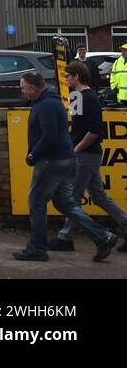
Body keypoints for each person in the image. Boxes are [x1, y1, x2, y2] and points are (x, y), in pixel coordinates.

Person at [13, 70, 116, 261]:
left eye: (24, 88)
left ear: (33, 88)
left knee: (36, 202)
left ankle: (37, 248)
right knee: (65, 203)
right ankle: (103, 237)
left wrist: (33, 154)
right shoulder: (51, 102)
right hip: (65, 159)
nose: (23, 92)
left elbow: (49, 135)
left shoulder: (46, 105)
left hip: (51, 161)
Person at [51, 61, 127, 253]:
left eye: (68, 76)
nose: (65, 78)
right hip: (85, 154)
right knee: (99, 197)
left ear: (77, 76)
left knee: (72, 197)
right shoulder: (76, 96)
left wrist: (76, 149)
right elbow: (76, 127)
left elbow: (94, 131)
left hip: (86, 154)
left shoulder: (90, 98)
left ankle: (65, 237)